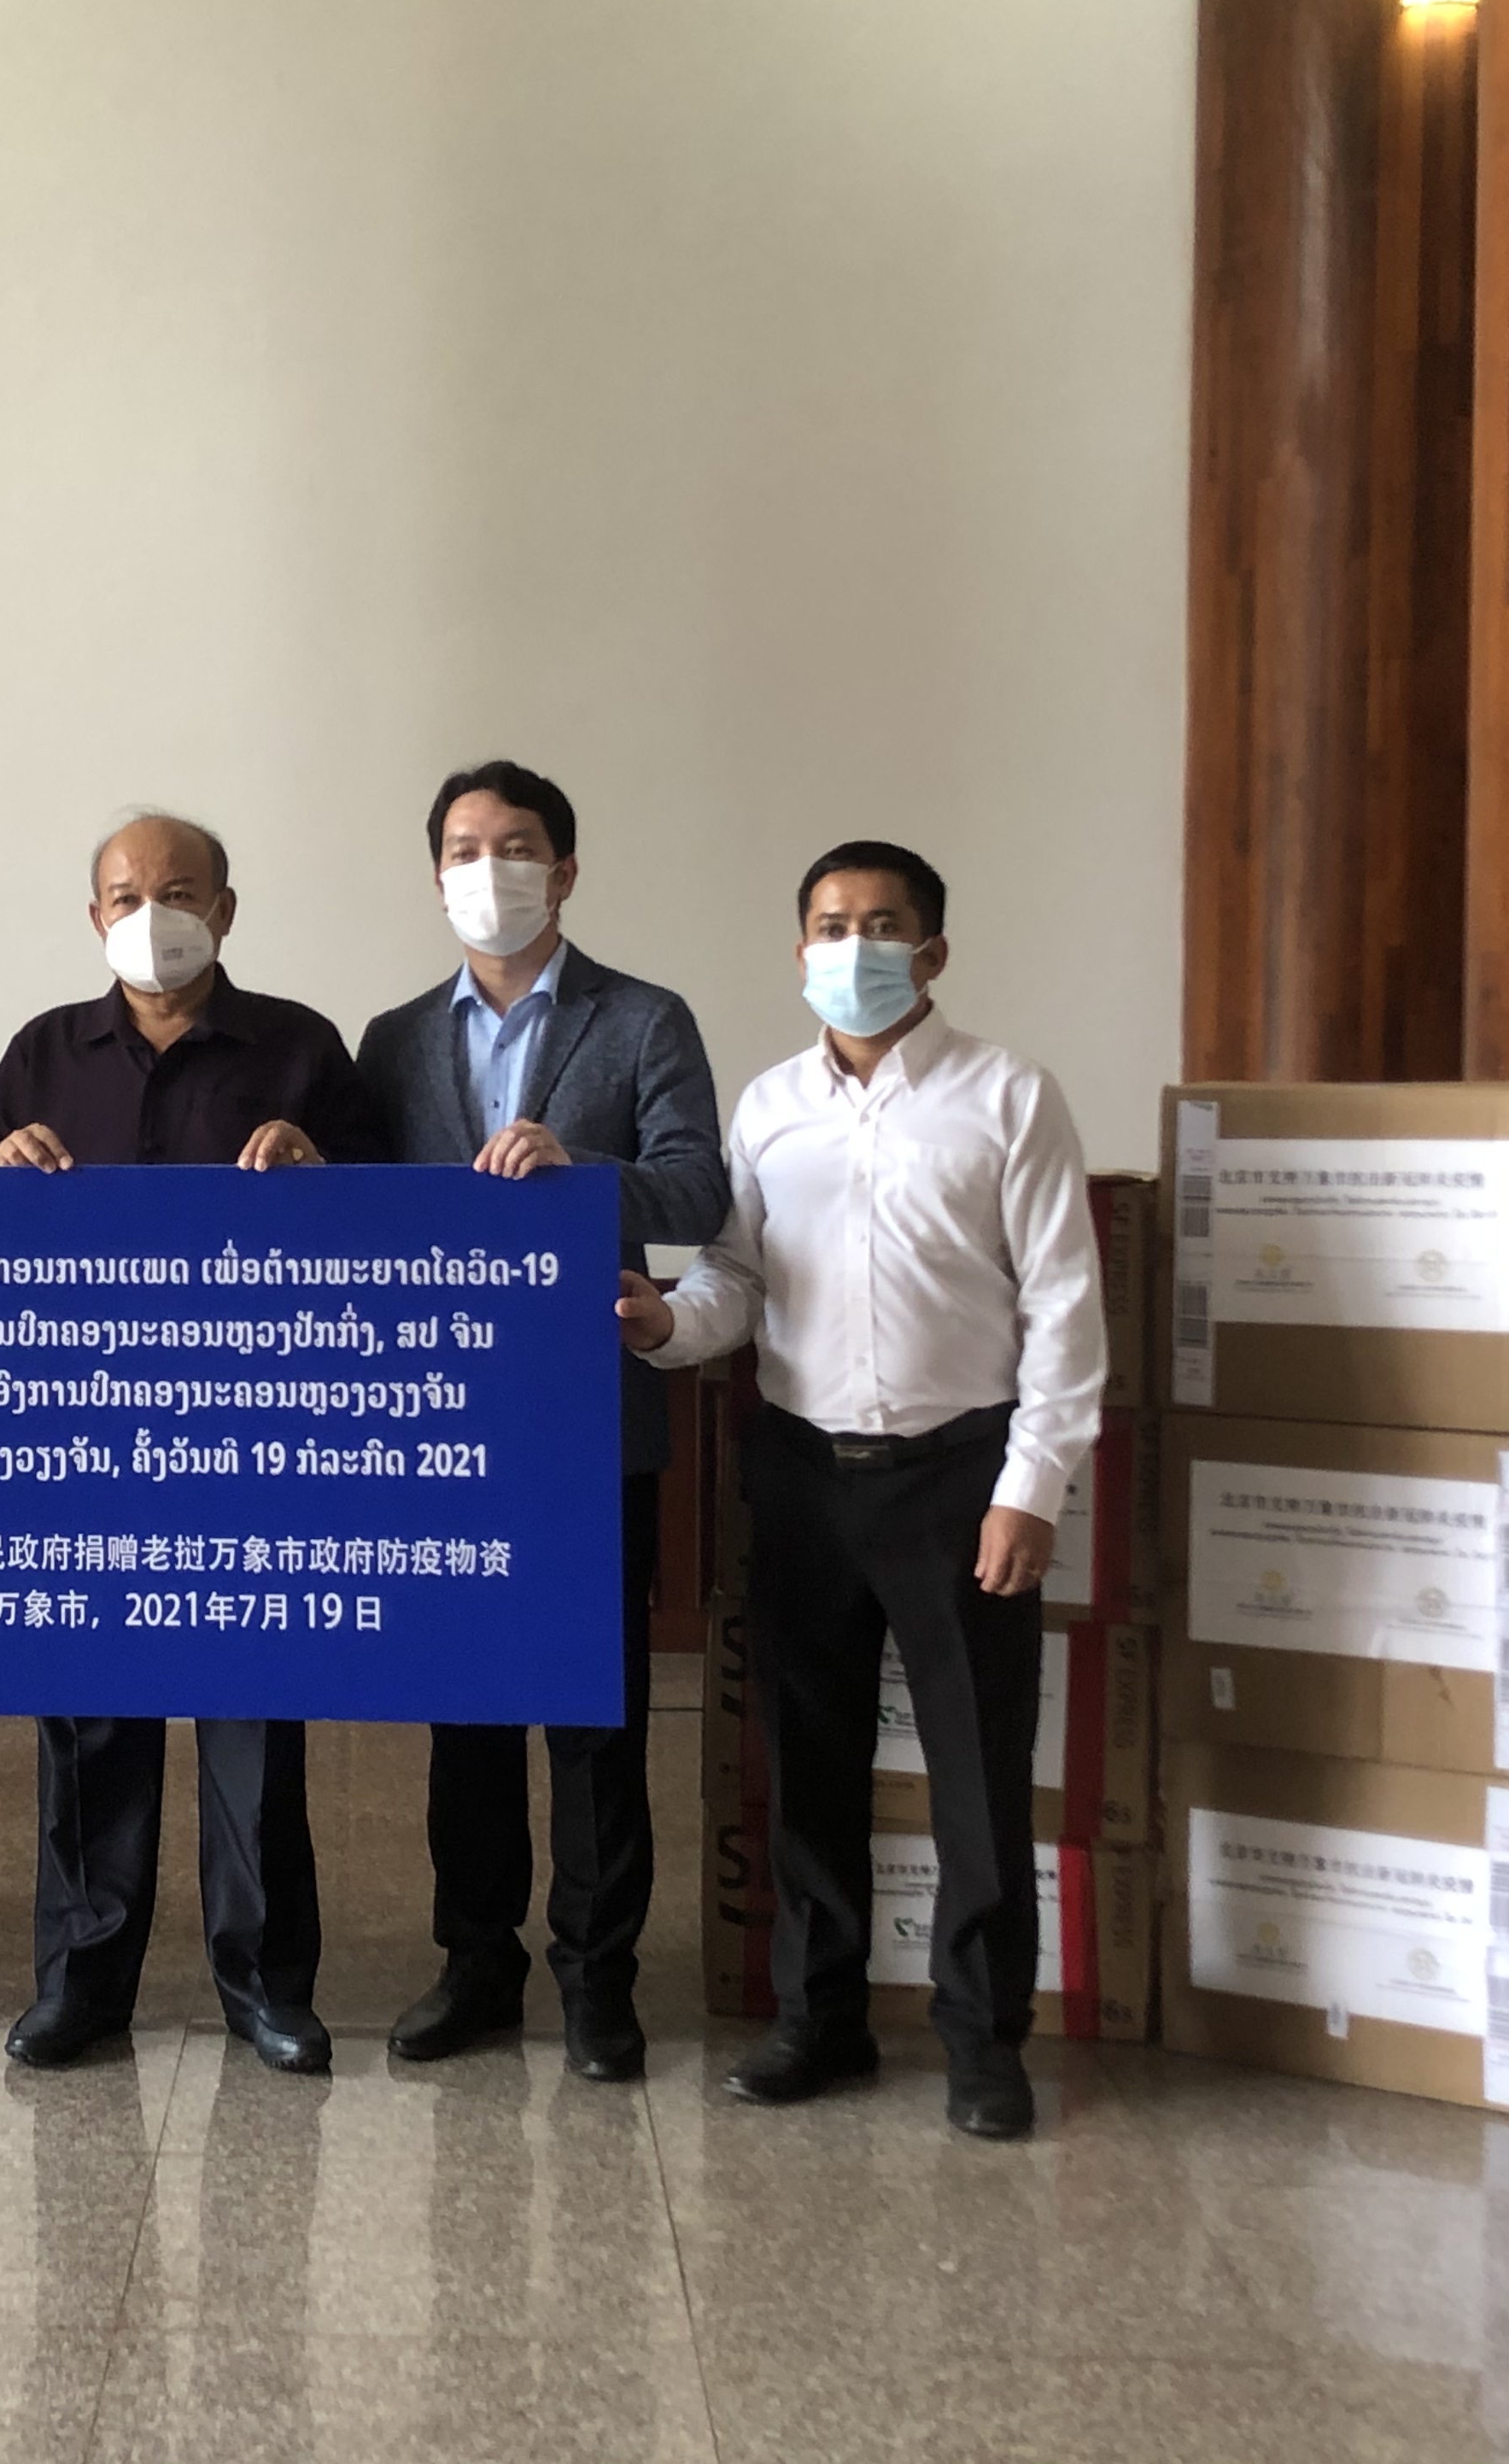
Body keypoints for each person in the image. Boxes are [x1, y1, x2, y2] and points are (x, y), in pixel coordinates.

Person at [624, 840, 1100, 2140]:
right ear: (799, 954)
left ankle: (982, 2040)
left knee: (977, 1771)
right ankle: (818, 2020)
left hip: (959, 1474)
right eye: (830, 926)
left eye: (881, 925)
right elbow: (737, 1280)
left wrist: (1033, 1486)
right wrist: (665, 1324)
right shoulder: (770, 1107)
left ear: (932, 952)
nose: (854, 948)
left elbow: (1065, 1305)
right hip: (801, 1472)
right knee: (809, 1759)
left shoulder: (1009, 1096)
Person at [0, 812, 387, 2076]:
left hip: (255, 1442)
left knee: (254, 1725)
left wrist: (323, 1176)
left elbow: (396, 1229)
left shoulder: (302, 1048)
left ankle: (266, 1987)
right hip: (83, 1441)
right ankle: (80, 1985)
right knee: (89, 1731)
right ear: (94, 916)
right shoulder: (43, 1051)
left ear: (227, 910)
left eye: (182, 891)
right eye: (126, 895)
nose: (153, 916)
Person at [355, 760, 728, 2085]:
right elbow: (365, 1222)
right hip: (442, 1431)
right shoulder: (393, 1040)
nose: (489, 870)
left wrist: (582, 1170)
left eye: (515, 847)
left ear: (564, 871)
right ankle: (476, 1962)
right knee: (464, 1716)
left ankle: (596, 1978)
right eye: (464, 848)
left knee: (595, 1718)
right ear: (436, 876)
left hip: (585, 1425)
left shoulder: (643, 1019)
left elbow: (699, 1190)